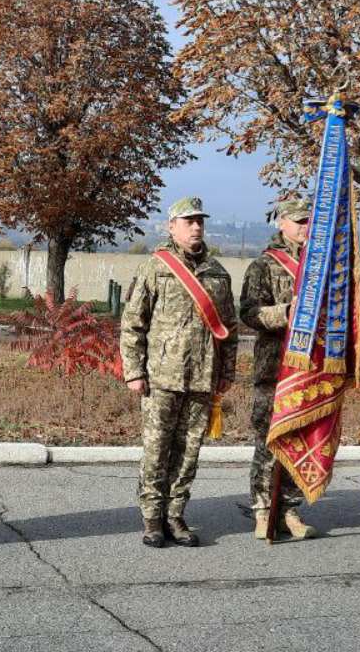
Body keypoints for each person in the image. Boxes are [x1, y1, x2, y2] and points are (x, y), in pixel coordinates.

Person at [120, 197, 238, 548]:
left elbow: (229, 329)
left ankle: (176, 515)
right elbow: (132, 324)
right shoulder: (155, 269)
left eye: (200, 221)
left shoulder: (218, 273)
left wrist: (226, 372)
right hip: (161, 378)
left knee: (189, 453)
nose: (196, 226)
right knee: (157, 450)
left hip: (203, 379)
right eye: (188, 221)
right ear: (171, 226)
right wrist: (133, 371)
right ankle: (152, 519)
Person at [237, 198, 318, 540]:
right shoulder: (265, 266)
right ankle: (262, 508)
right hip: (275, 369)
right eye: (298, 221)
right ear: (281, 223)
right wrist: (286, 312)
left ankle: (290, 509)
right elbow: (249, 313)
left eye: (308, 221)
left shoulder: (321, 266)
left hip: (310, 369)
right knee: (269, 442)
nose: (305, 227)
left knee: (299, 441)